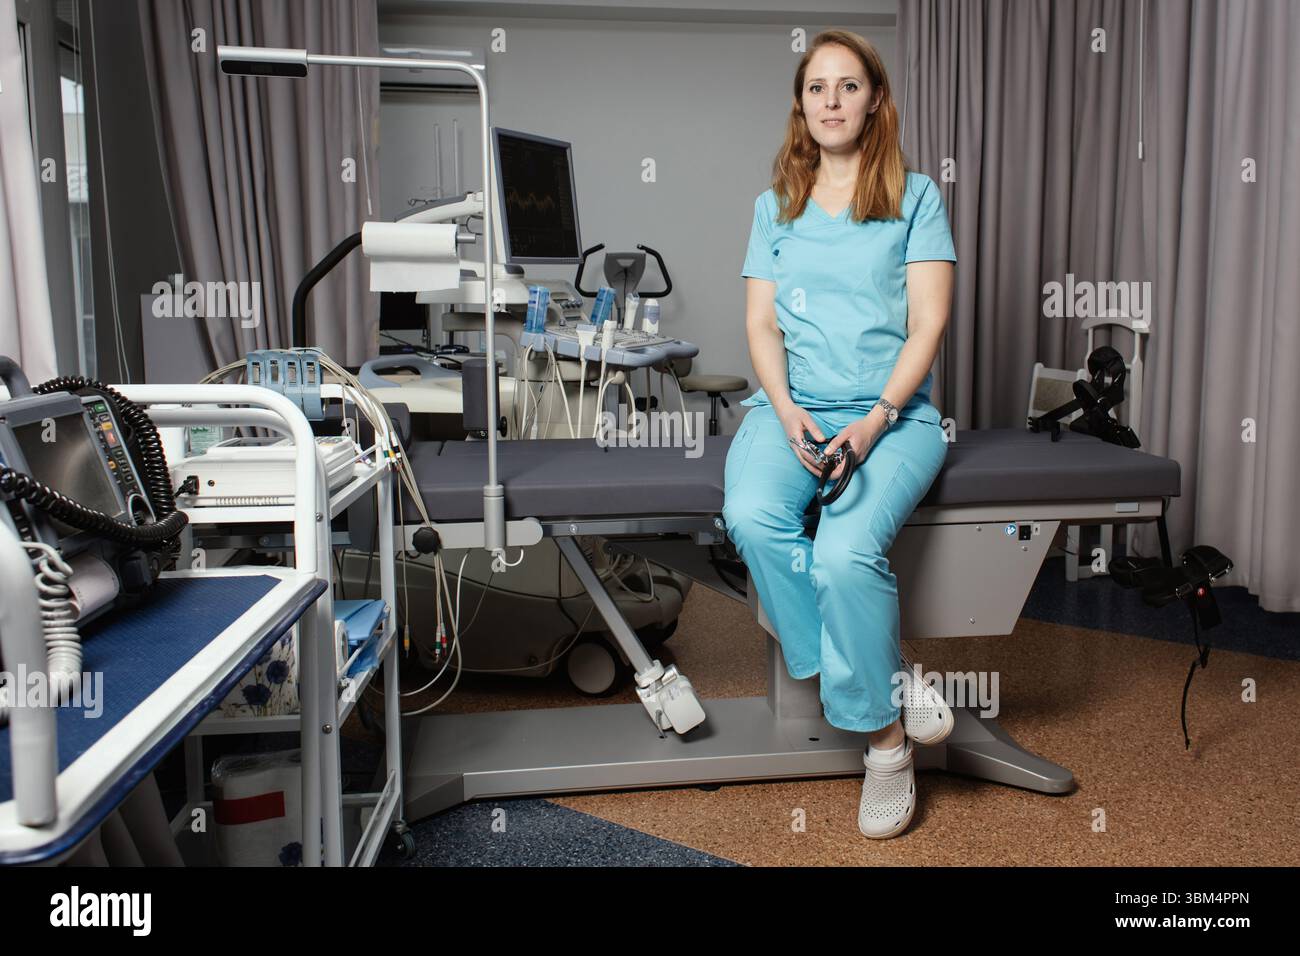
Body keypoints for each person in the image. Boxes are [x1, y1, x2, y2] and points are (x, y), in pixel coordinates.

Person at [722, 29, 957, 839]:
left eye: (847, 86)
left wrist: (875, 420)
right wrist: (786, 411)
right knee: (752, 518)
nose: (830, 100)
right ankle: (889, 697)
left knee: (842, 553)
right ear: (801, 105)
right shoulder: (774, 207)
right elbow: (759, 325)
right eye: (816, 87)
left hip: (892, 417)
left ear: (874, 100)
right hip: (791, 410)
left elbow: (928, 324)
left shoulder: (916, 197)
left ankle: (884, 754)